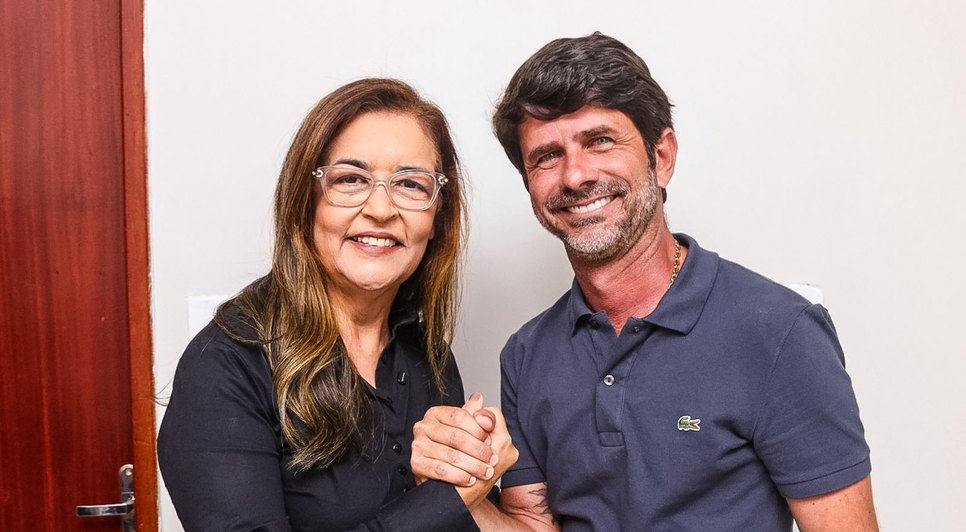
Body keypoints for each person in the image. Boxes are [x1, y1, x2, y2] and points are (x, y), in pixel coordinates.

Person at [410, 32, 878, 531]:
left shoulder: (780, 331)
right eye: (546, 156)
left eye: (601, 141)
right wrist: (451, 484)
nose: (574, 176)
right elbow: (532, 525)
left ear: (662, 157)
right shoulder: (526, 354)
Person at [157, 78, 515, 531]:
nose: (382, 209)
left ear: (437, 216)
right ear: (305, 202)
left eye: (410, 183)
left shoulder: (427, 356)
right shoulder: (226, 365)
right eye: (350, 179)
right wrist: (447, 500)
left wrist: (478, 472)